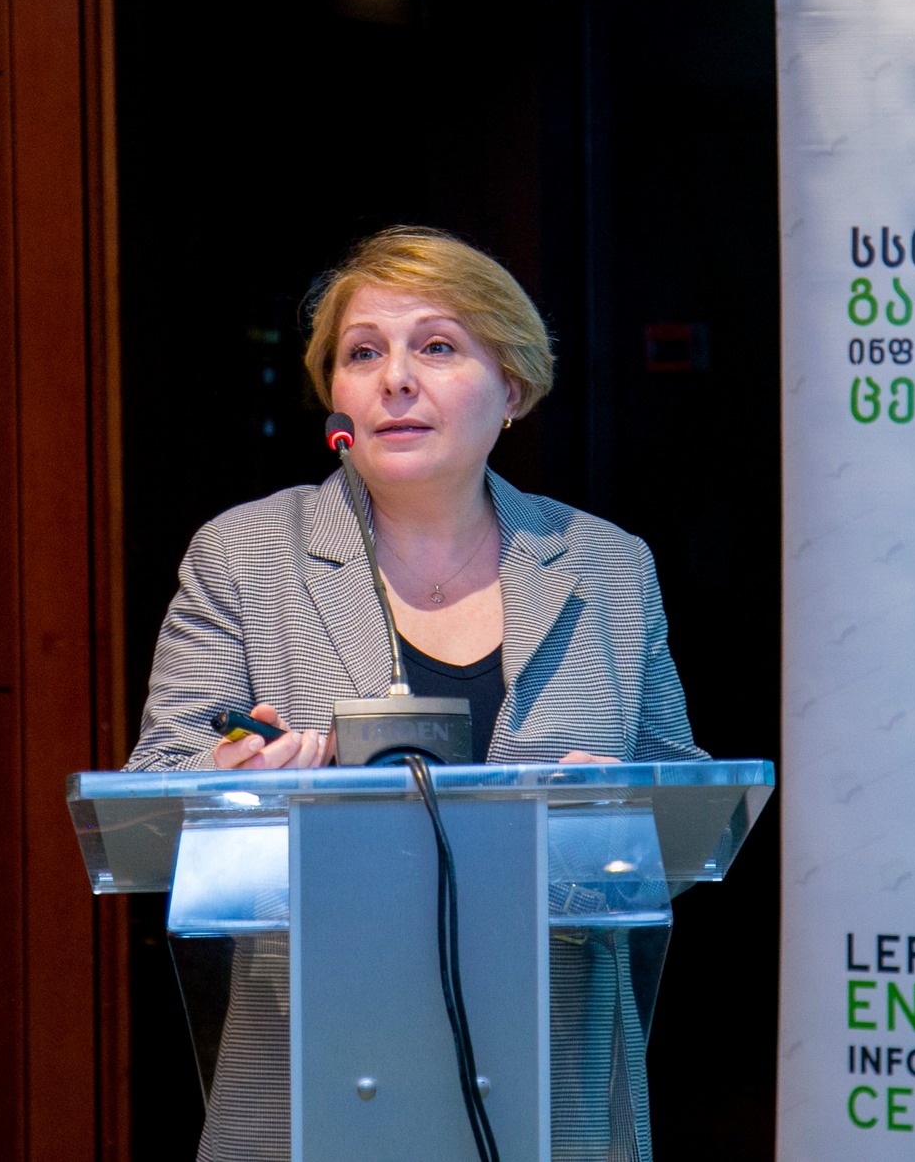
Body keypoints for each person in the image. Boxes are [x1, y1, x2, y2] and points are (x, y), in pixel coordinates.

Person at [126, 226, 707, 1161]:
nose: (394, 378)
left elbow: (685, 802)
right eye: (363, 353)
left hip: (552, 1082)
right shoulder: (244, 556)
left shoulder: (606, 565)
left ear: (511, 387)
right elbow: (156, 783)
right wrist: (234, 773)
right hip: (314, 1081)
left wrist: (617, 805)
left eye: (436, 345)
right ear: (336, 398)